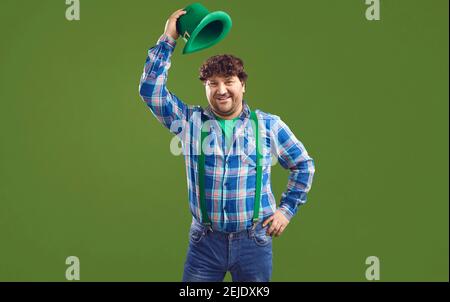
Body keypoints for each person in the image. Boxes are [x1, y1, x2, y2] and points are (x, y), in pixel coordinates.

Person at [138, 8, 315, 282]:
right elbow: (150, 91)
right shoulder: (189, 122)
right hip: (204, 243)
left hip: (254, 242)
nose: (221, 90)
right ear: (205, 87)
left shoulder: (268, 125)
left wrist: (286, 210)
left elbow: (303, 165)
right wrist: (168, 38)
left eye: (229, 82)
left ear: (242, 85)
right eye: (213, 83)